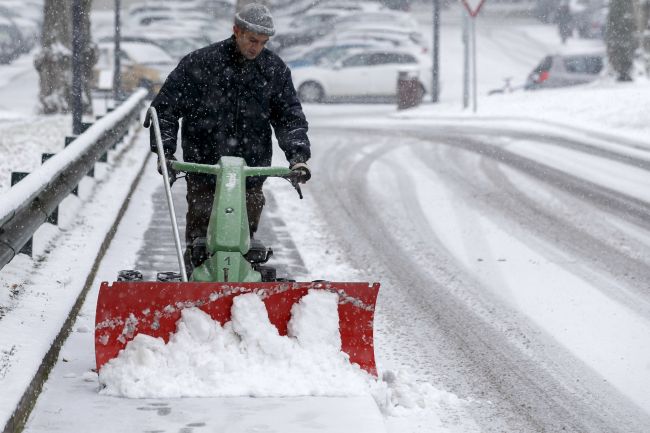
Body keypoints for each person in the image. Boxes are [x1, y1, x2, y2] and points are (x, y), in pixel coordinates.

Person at [147, 3, 311, 274]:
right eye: (252, 40)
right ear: (236, 31)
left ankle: (242, 300)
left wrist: (298, 158)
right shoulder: (199, 64)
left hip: (250, 175)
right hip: (204, 171)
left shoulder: (273, 70)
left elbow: (289, 118)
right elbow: (163, 110)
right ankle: (194, 287)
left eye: (263, 42)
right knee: (201, 243)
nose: (256, 48)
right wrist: (165, 152)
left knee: (241, 245)